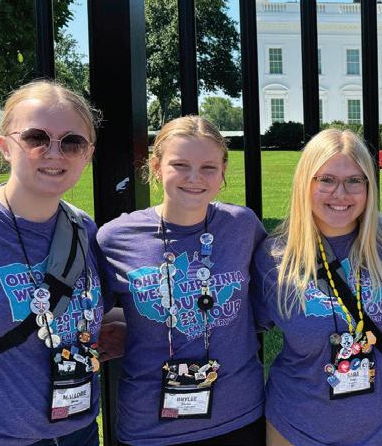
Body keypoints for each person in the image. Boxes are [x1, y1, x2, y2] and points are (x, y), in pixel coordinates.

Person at [97, 116, 267, 445]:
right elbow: (89, 312)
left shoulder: (242, 226)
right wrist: (134, 324)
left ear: (223, 171)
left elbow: (264, 302)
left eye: (208, 167)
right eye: (180, 164)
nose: (194, 177)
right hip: (150, 427)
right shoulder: (116, 238)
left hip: (239, 416)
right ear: (156, 166)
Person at [254, 128, 382, 446]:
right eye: (326, 180)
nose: (340, 193)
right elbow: (244, 329)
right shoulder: (275, 257)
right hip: (297, 430)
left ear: (369, 186)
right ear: (305, 183)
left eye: (354, 180)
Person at [0, 80, 104, 445]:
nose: (54, 153)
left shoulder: (82, 228)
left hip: (78, 432)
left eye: (72, 142)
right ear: (5, 146)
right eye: (36, 138)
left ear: (87, 154)